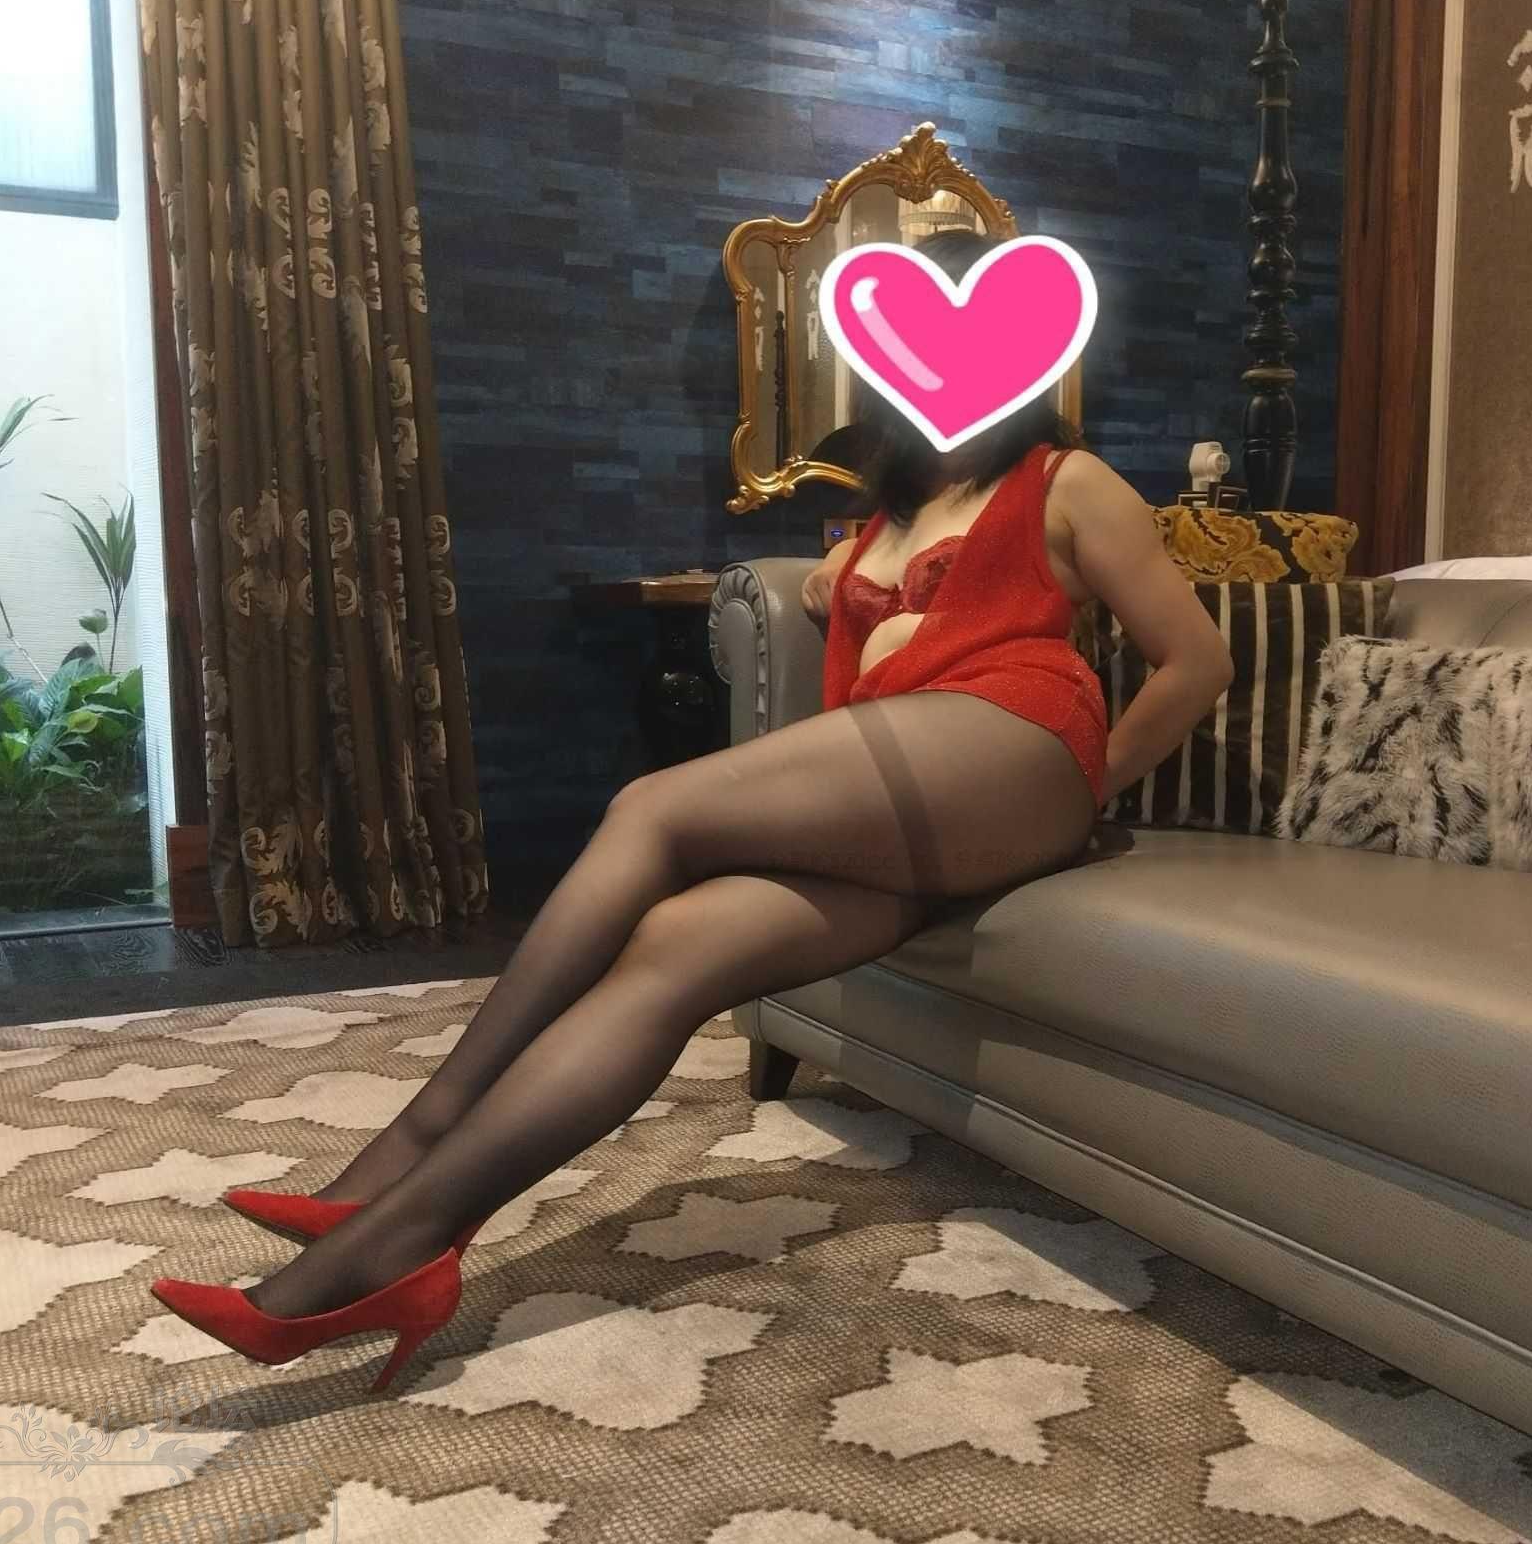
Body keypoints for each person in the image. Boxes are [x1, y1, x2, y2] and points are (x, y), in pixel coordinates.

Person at [149, 230, 1236, 1388]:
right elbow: (864, 638)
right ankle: (406, 1243)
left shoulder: (1066, 482)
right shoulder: (889, 512)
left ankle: (411, 1141)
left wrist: (1085, 787)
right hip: (912, 794)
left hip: (1015, 746)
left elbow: (1196, 662)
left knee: (653, 807)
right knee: (676, 944)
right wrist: (843, 583)